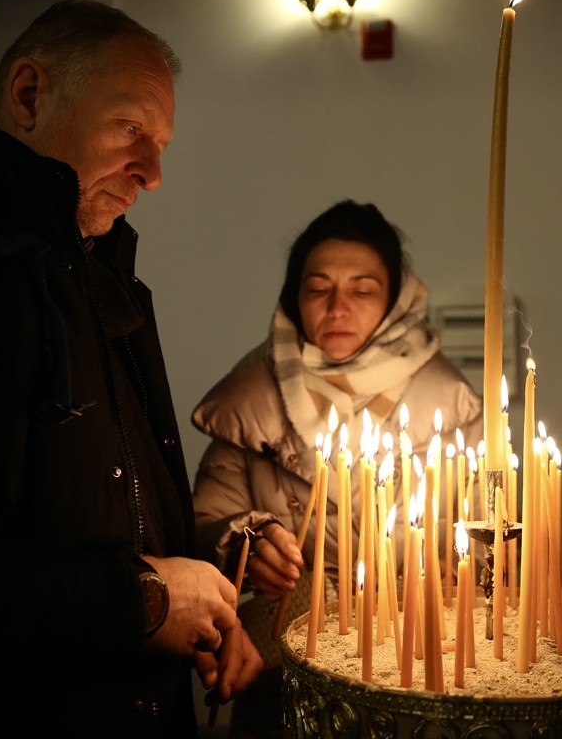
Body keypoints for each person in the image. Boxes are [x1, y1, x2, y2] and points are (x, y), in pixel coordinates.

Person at [0, 0, 261, 737]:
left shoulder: (95, 276)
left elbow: (114, 507)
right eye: (131, 128)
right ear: (31, 95)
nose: (153, 174)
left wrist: (201, 608)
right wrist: (141, 600)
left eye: (161, 144)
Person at [190, 199, 483, 738]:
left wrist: (453, 556)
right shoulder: (249, 403)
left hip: (418, 667)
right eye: (318, 288)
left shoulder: (450, 407)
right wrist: (246, 543)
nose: (337, 307)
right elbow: (206, 522)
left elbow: (490, 529)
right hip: (284, 665)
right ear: (293, 298)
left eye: (362, 290)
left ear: (395, 301)